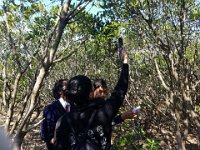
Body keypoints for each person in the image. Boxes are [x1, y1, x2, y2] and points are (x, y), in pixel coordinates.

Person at [54, 51, 129, 150]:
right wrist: (125, 62)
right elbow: (120, 91)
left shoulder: (63, 121)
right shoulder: (103, 113)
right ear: (90, 93)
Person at [40, 79, 72, 150]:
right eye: (67, 86)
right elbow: (45, 133)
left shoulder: (73, 107)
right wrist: (53, 140)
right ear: (60, 91)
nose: (70, 89)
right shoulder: (50, 109)